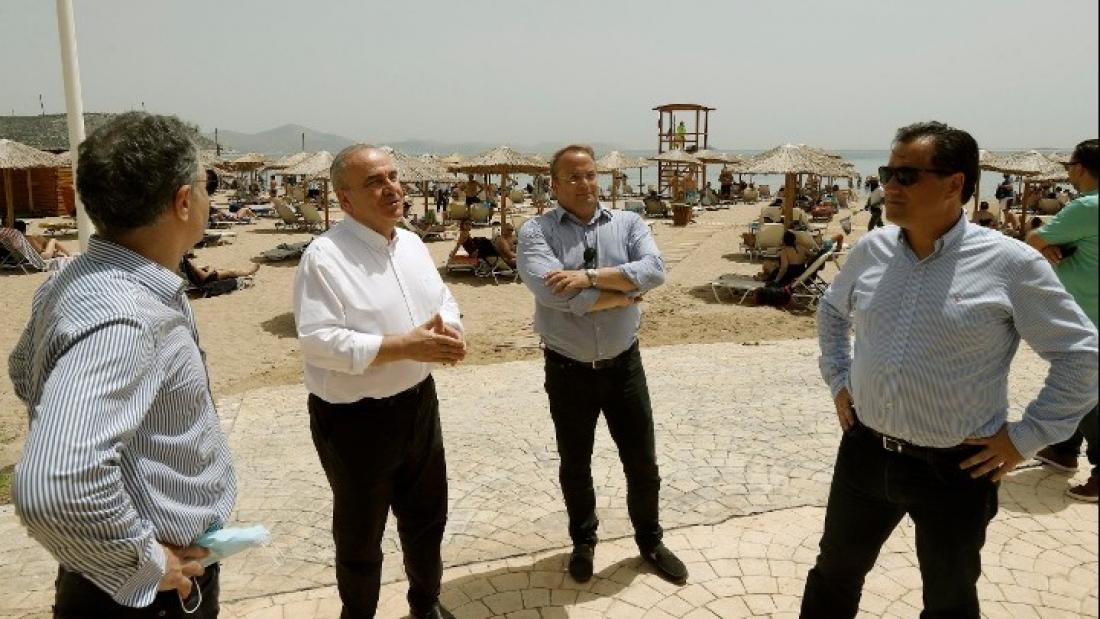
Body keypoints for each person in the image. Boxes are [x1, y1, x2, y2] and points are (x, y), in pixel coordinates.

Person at [802, 121, 1098, 618]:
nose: (889, 187)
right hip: (865, 451)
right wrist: (838, 377)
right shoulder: (872, 249)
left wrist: (1027, 437)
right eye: (887, 174)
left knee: (948, 600)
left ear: (954, 184)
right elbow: (832, 311)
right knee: (834, 574)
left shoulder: (1011, 264)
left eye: (906, 176)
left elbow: (1081, 354)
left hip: (957, 468)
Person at [9, 112, 236, 616]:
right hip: (147, 596)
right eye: (208, 185)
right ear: (183, 201)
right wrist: (147, 562)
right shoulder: (129, 315)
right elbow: (53, 484)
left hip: (105, 579)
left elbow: (25, 371)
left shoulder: (75, 278)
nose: (209, 197)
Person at [293, 145, 465, 619]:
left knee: (427, 518)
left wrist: (448, 331)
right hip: (355, 420)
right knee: (360, 535)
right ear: (345, 199)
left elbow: (443, 298)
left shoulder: (410, 242)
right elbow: (318, 342)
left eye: (392, 176)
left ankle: (425, 605)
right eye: (374, 182)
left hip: (419, 403)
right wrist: (404, 346)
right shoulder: (324, 257)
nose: (391, 188)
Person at [516, 144, 688, 587]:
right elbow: (552, 293)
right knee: (576, 463)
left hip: (624, 366)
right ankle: (583, 541)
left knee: (642, 462)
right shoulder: (536, 231)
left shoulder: (629, 222)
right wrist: (623, 295)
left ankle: (650, 541)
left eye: (590, 174)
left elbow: (655, 270)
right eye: (573, 177)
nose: (585, 184)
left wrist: (588, 278)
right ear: (554, 184)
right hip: (567, 369)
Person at [1028, 139, 1100, 502]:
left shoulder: (1087, 206)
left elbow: (1033, 239)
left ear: (1081, 168)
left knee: (1082, 389)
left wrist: (1048, 245)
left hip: (1087, 316)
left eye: (1070, 165)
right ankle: (1062, 448)